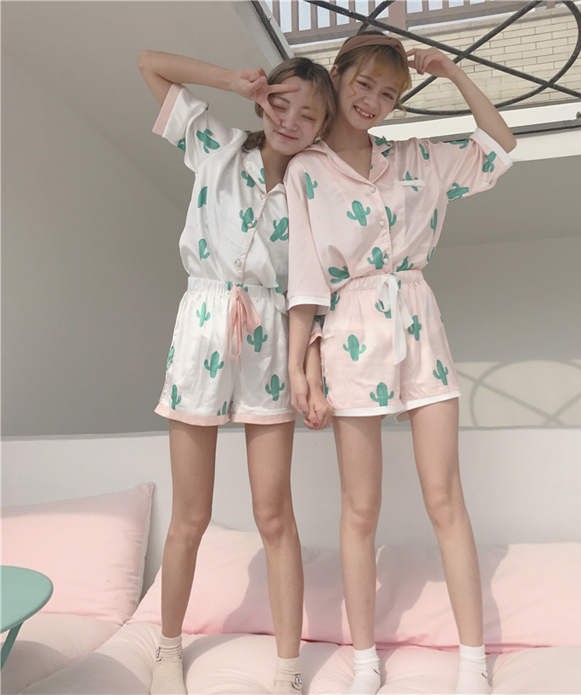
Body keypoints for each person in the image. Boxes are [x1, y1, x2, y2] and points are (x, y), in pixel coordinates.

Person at [285, 32, 516, 695]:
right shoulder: (305, 171)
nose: (373, 101)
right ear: (337, 76)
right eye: (364, 84)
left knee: (446, 498)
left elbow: (501, 146)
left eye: (388, 94)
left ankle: (472, 661)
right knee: (360, 510)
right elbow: (305, 278)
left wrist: (454, 72)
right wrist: (304, 370)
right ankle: (365, 661)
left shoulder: (417, 157)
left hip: (420, 328)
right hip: (350, 332)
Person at [138, 49, 334, 694]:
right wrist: (231, 81)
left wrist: (309, 371)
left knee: (274, 514)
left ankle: (287, 669)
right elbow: (148, 64)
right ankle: (168, 650)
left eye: (309, 114)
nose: (291, 120)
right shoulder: (215, 147)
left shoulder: (315, 193)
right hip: (203, 329)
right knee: (189, 515)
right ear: (263, 101)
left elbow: (311, 293)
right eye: (282, 102)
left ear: (323, 126)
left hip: (272, 341)